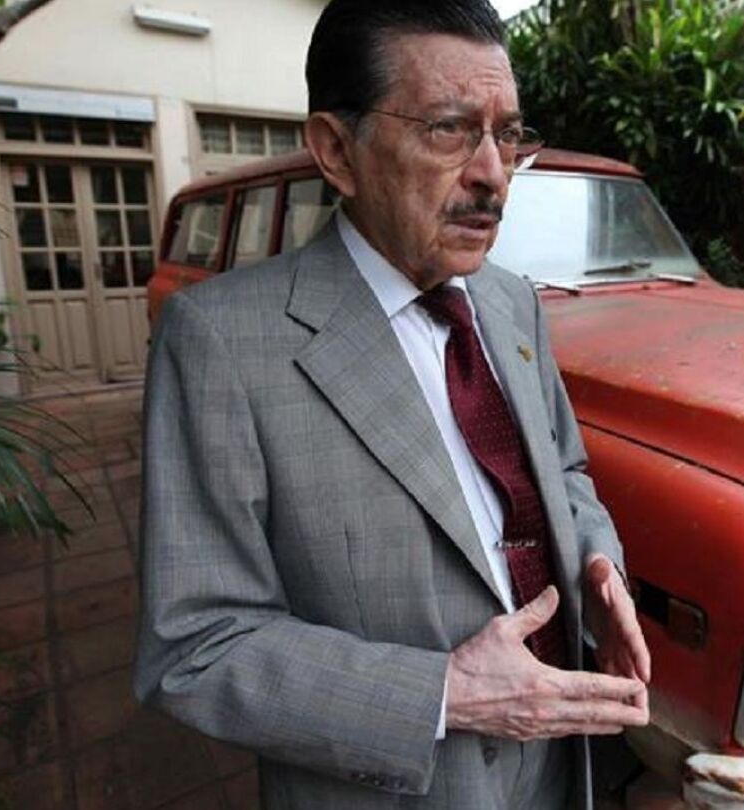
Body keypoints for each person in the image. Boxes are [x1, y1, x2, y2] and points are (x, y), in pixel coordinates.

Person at [132, 1, 651, 807]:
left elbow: (568, 472)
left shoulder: (512, 303)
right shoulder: (221, 344)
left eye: (508, 134)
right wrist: (447, 693)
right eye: (449, 129)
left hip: (559, 765)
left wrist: (597, 565)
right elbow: (195, 643)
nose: (492, 172)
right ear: (337, 150)